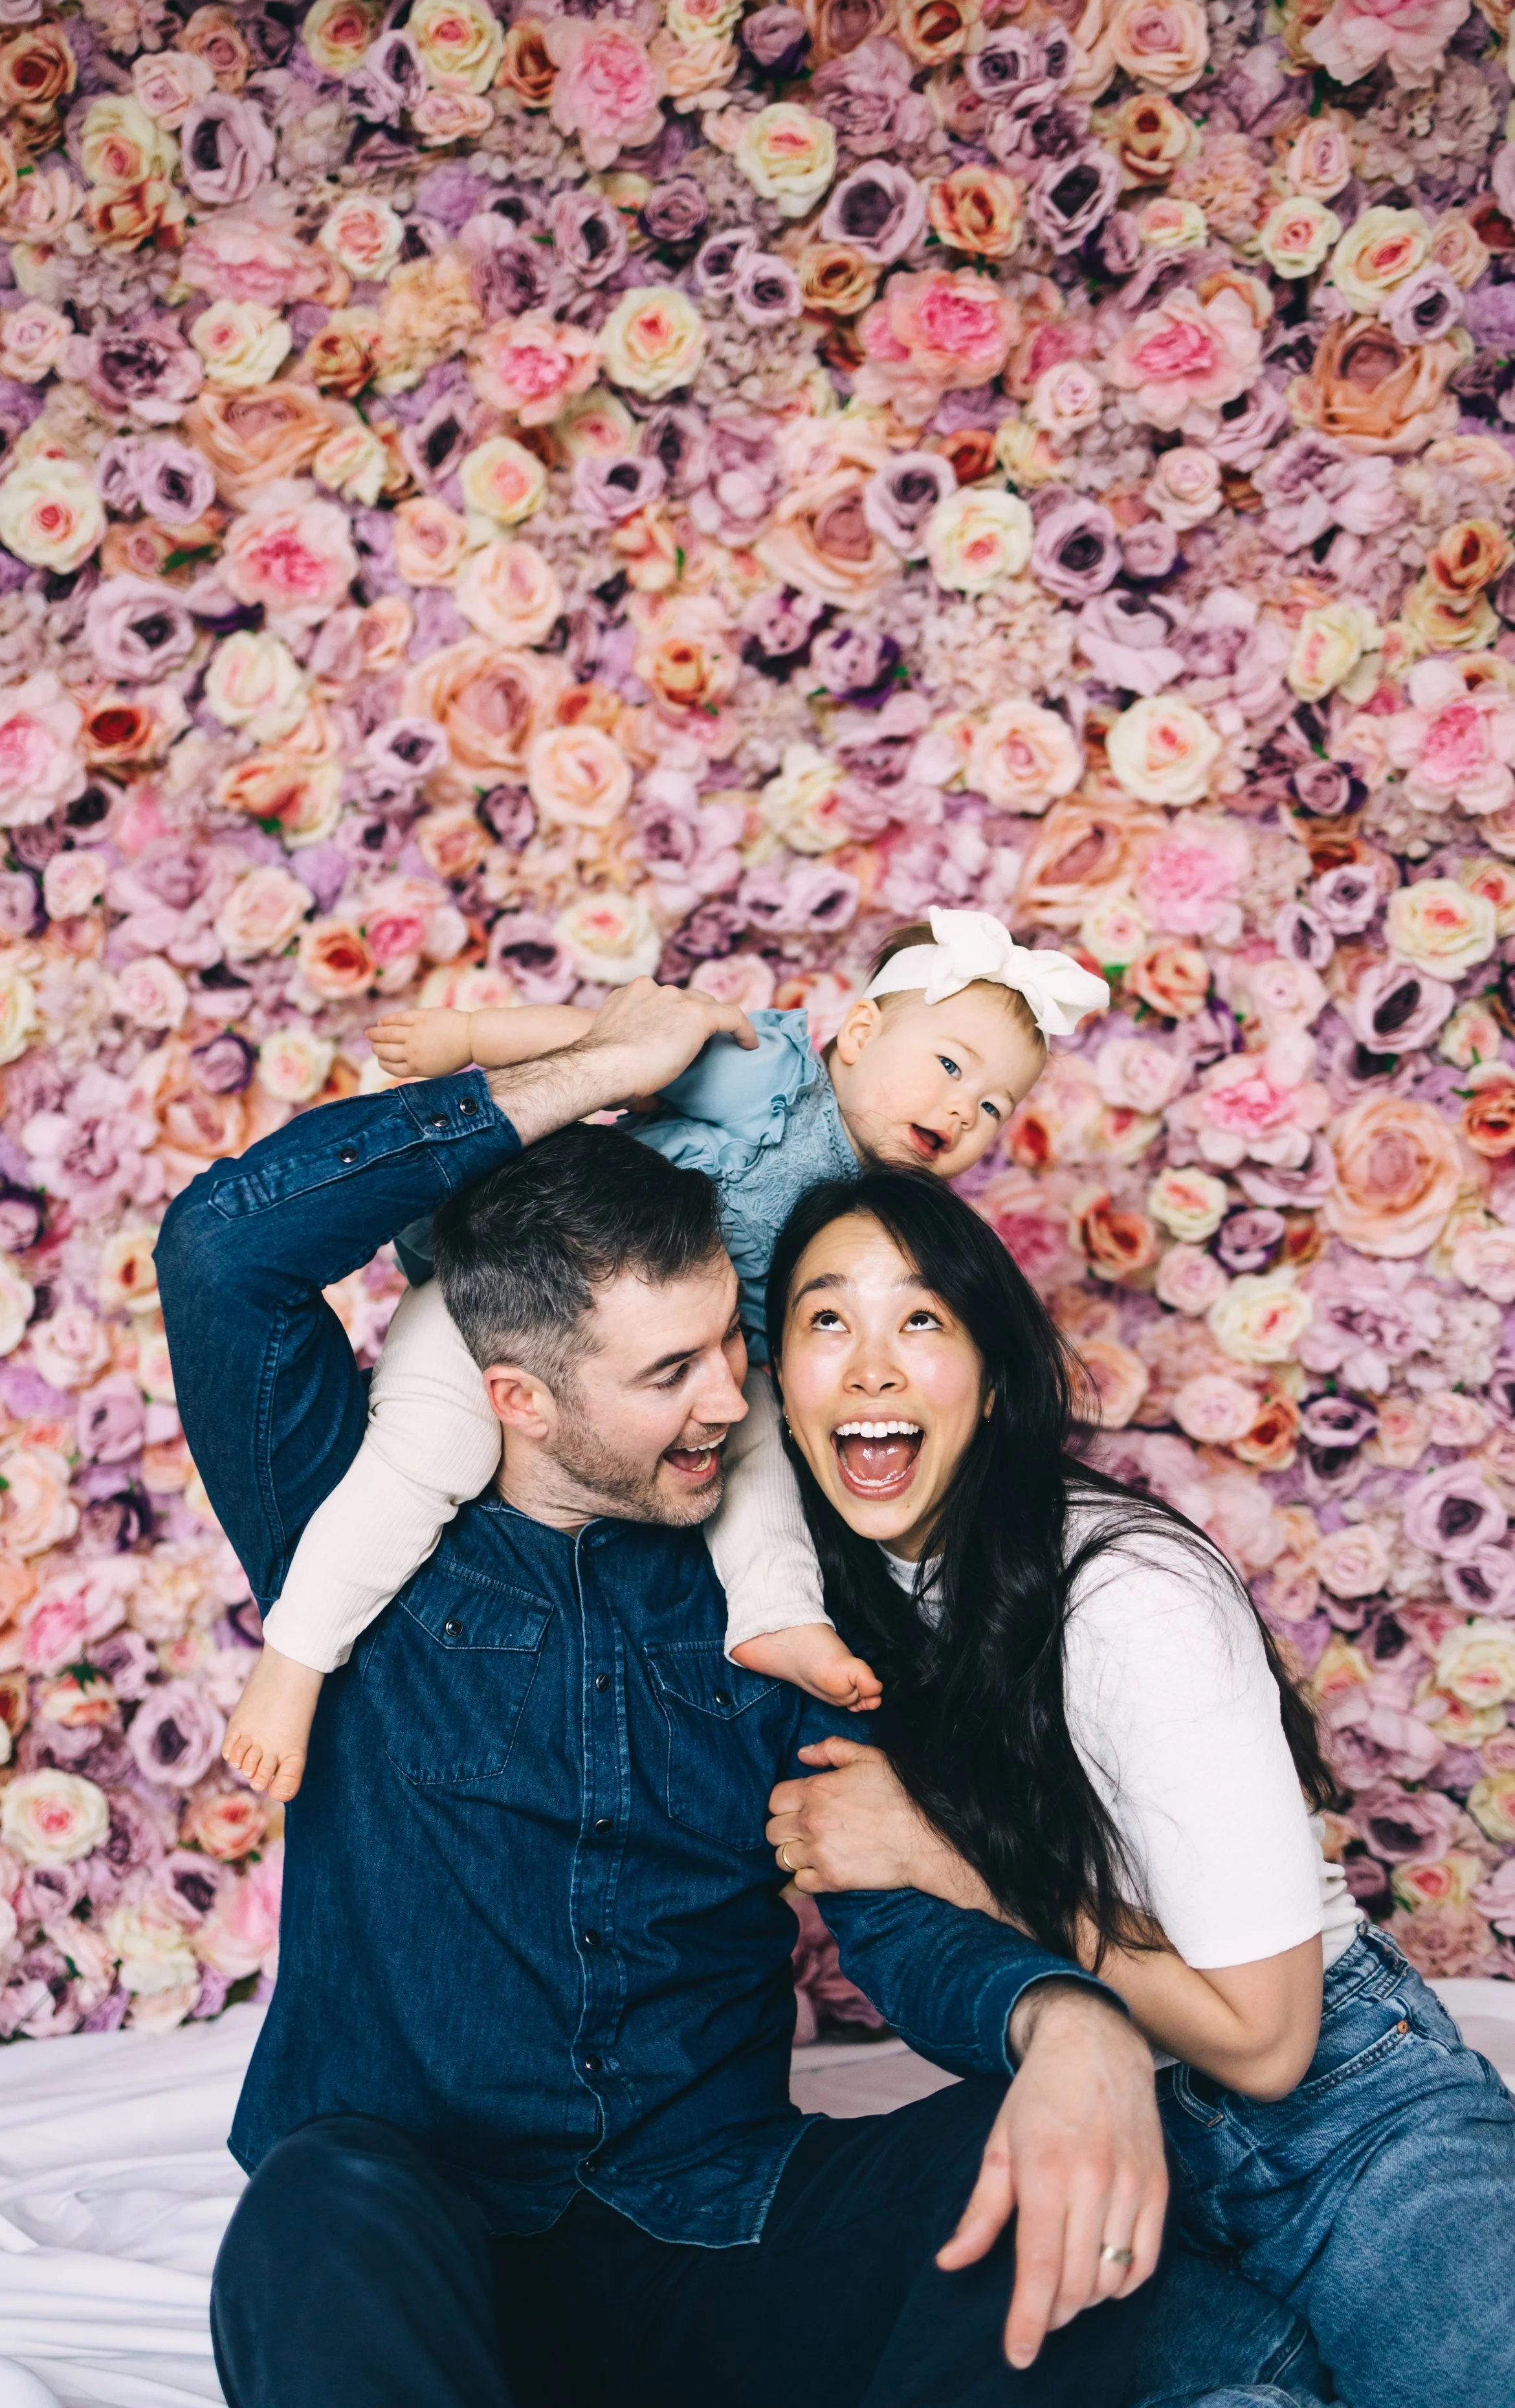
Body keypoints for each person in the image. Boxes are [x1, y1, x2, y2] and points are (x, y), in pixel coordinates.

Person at [155, 979, 1167, 2408]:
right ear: (518, 1396)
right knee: (310, 2215)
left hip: (710, 2214)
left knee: (1060, 2161)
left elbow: (886, 1905)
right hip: (425, 2225)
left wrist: (1062, 2021)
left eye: (730, 1345)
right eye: (670, 1373)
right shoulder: (342, 1519)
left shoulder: (778, 1600)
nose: (732, 1402)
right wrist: (591, 1069)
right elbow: (220, 1252)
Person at [758, 1168, 1515, 2408]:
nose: (871, 1367)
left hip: (1342, 2113)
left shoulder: (1125, 1592)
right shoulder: (819, 1613)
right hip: (1126, 2151)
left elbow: (1267, 2044)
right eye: (826, 1319)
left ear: (993, 1381)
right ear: (779, 1394)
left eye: (922, 1320)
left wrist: (947, 1859)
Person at [221, 909, 1110, 1801]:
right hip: (519, 1295)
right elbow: (608, 1041)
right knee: (430, 1454)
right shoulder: (772, 1073)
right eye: (951, 1066)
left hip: (702, 1364)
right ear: (864, 1030)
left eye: (994, 1105)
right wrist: (468, 1036)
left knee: (761, 1460)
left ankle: (778, 1616)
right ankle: (295, 1659)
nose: (964, 1109)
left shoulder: (883, 1206)